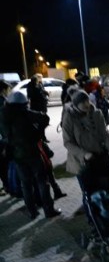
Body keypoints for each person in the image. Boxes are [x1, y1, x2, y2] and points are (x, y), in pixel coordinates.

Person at [5, 91, 61, 219]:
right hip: (32, 152)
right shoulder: (25, 113)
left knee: (25, 184)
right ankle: (48, 210)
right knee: (42, 181)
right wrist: (38, 132)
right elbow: (44, 118)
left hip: (16, 154)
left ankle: (32, 211)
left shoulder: (5, 116)